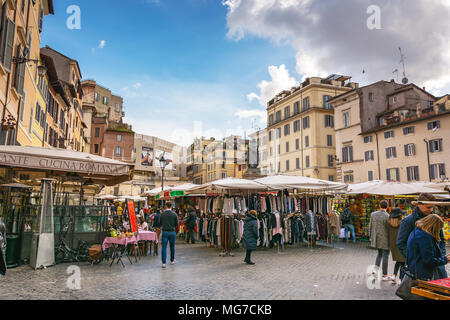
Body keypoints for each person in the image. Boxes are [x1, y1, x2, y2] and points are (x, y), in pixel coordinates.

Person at [397, 193, 447, 279]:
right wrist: (414, 258)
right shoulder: (408, 221)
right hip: (419, 269)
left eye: (432, 207)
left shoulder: (434, 218)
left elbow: (441, 240)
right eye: (428, 207)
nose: (431, 210)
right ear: (419, 205)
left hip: (436, 265)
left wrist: (441, 257)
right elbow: (401, 243)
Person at [406, 214, 450, 281]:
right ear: (434, 227)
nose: (439, 232)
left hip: (415, 270)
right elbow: (429, 260)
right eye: (439, 229)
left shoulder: (417, 231)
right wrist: (445, 259)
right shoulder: (425, 237)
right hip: (422, 274)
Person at [369, 200, 390, 281]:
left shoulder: (373, 214)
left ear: (379, 206)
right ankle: (385, 275)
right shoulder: (387, 216)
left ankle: (375, 270)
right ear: (387, 207)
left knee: (379, 254)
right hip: (385, 239)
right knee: (385, 256)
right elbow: (389, 229)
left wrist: (371, 236)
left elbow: (370, 226)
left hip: (376, 238)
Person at [388, 208, 406, 285]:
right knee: (403, 262)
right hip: (401, 243)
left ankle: (394, 275)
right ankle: (400, 279)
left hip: (393, 244)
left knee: (398, 261)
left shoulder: (388, 222)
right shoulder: (403, 223)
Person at [159, 203, 179, 268]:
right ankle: (172, 260)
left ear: (166, 206)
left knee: (164, 247)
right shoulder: (174, 214)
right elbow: (177, 223)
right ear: (171, 206)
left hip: (165, 232)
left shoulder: (162, 214)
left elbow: (160, 223)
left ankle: (164, 263)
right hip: (172, 232)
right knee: (172, 246)